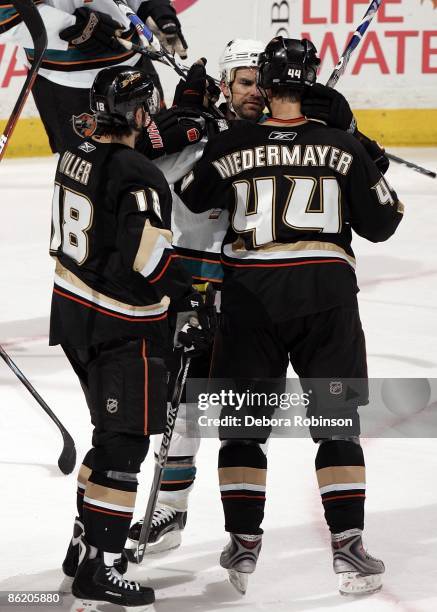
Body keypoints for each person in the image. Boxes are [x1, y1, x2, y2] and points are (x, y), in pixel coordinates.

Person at [175, 37, 404, 596]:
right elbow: (385, 222)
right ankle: (349, 550)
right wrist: (353, 144)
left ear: (267, 83)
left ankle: (244, 544)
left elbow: (190, 195)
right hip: (326, 297)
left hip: (252, 298)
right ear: (312, 83)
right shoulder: (338, 145)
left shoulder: (231, 142)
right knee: (335, 426)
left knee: (244, 429)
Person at [49, 65, 205, 609]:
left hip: (73, 315)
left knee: (107, 434)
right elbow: (148, 254)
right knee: (124, 445)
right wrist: (188, 295)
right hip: (121, 326)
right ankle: (102, 566)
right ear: (139, 114)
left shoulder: (75, 152)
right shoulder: (137, 170)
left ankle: (83, 543)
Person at [127, 39, 267, 554]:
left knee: (237, 413)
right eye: (245, 82)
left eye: (261, 82)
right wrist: (173, 123)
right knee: (179, 401)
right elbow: (141, 173)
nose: (255, 92)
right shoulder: (201, 134)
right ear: (226, 86)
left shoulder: (277, 138)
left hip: (253, 293)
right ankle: (173, 508)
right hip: (191, 287)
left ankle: (241, 529)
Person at [0, 0, 187, 152]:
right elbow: (4, 14)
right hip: (66, 84)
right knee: (99, 183)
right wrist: (73, 27)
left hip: (134, 66)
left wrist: (153, 6)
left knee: (164, 158)